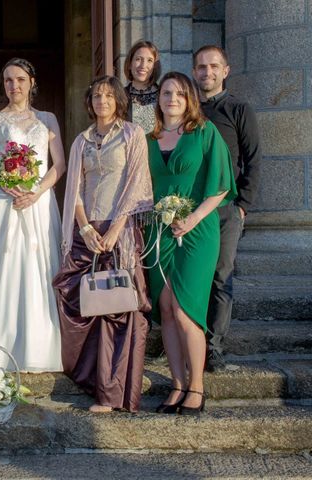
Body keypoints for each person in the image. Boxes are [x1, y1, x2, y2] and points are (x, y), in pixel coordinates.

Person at [53, 76, 153, 412]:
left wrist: (115, 230)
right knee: (75, 299)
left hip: (119, 233)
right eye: (97, 94)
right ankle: (87, 377)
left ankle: (111, 395)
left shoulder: (132, 135)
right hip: (88, 233)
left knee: (116, 311)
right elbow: (76, 189)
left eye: (109, 95)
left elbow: (137, 183)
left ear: (119, 100)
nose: (102, 100)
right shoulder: (81, 140)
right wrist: (84, 228)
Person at [146, 72, 237, 416]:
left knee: (186, 310)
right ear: (159, 98)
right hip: (159, 231)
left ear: (189, 100)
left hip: (196, 230)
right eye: (167, 92)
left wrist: (193, 218)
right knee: (166, 308)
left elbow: (221, 185)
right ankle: (178, 384)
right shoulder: (149, 137)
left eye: (180, 94)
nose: (172, 98)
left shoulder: (204, 133)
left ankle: (197, 387)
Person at [0, 58, 66, 372]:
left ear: (31, 82)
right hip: (6, 200)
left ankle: (40, 348)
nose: (15, 86)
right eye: (9, 80)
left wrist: (37, 191)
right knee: (6, 265)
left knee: (37, 268)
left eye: (21, 79)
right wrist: (6, 183)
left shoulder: (48, 119)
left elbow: (60, 165)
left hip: (39, 202)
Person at [192, 45, 262, 372]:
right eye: (202, 67)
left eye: (213, 66)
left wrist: (242, 207)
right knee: (193, 276)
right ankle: (187, 339)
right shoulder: (187, 110)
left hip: (225, 209)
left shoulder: (238, 109)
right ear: (194, 72)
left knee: (221, 276)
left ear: (225, 70)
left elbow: (254, 160)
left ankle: (214, 347)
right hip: (189, 209)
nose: (207, 72)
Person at [123, 40, 161, 133]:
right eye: (138, 59)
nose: (143, 65)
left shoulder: (164, 94)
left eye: (149, 60)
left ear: (155, 66)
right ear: (130, 64)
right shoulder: (120, 95)